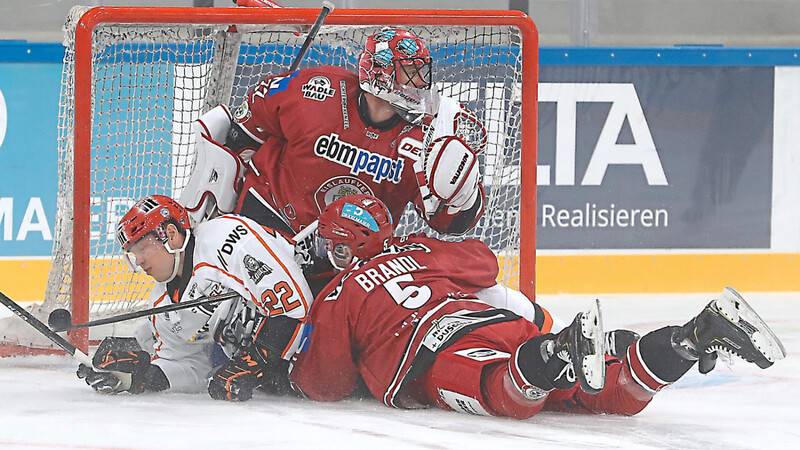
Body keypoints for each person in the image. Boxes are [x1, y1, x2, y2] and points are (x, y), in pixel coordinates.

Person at [288, 194, 786, 419]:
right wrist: (424, 246)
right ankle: (690, 337)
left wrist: (285, 365)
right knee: (612, 394)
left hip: (436, 352)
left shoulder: (337, 295)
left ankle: (562, 349)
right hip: (500, 323)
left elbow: (325, 386)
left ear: (339, 248)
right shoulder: (419, 251)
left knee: (505, 394)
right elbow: (484, 264)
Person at [178, 28, 487, 281]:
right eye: (410, 73)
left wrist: (464, 195)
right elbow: (244, 131)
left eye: (422, 73)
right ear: (380, 73)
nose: (420, 83)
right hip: (268, 223)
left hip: (347, 258)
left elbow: (448, 224)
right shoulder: (315, 91)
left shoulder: (427, 140)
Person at [76, 194, 313, 401]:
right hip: (283, 365)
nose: (139, 261)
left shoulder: (225, 238)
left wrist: (254, 362)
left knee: (321, 383)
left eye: (142, 249)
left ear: (171, 234)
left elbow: (294, 304)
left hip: (319, 320)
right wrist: (140, 377)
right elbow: (191, 366)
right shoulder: (162, 304)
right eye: (132, 255)